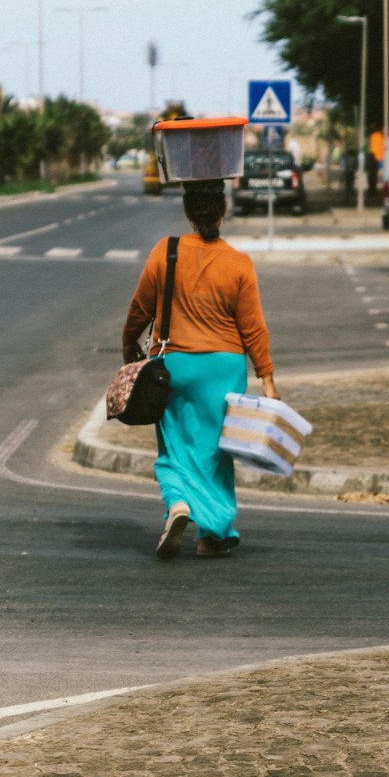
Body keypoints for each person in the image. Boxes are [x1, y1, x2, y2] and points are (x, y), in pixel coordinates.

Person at [121, 180, 279, 560]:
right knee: (215, 452)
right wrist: (268, 379)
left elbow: (140, 310)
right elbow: (253, 326)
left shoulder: (166, 251)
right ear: (223, 212)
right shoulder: (239, 263)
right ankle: (213, 534)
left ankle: (177, 504)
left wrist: (130, 351)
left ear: (189, 212)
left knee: (174, 448)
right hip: (224, 369)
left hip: (174, 365)